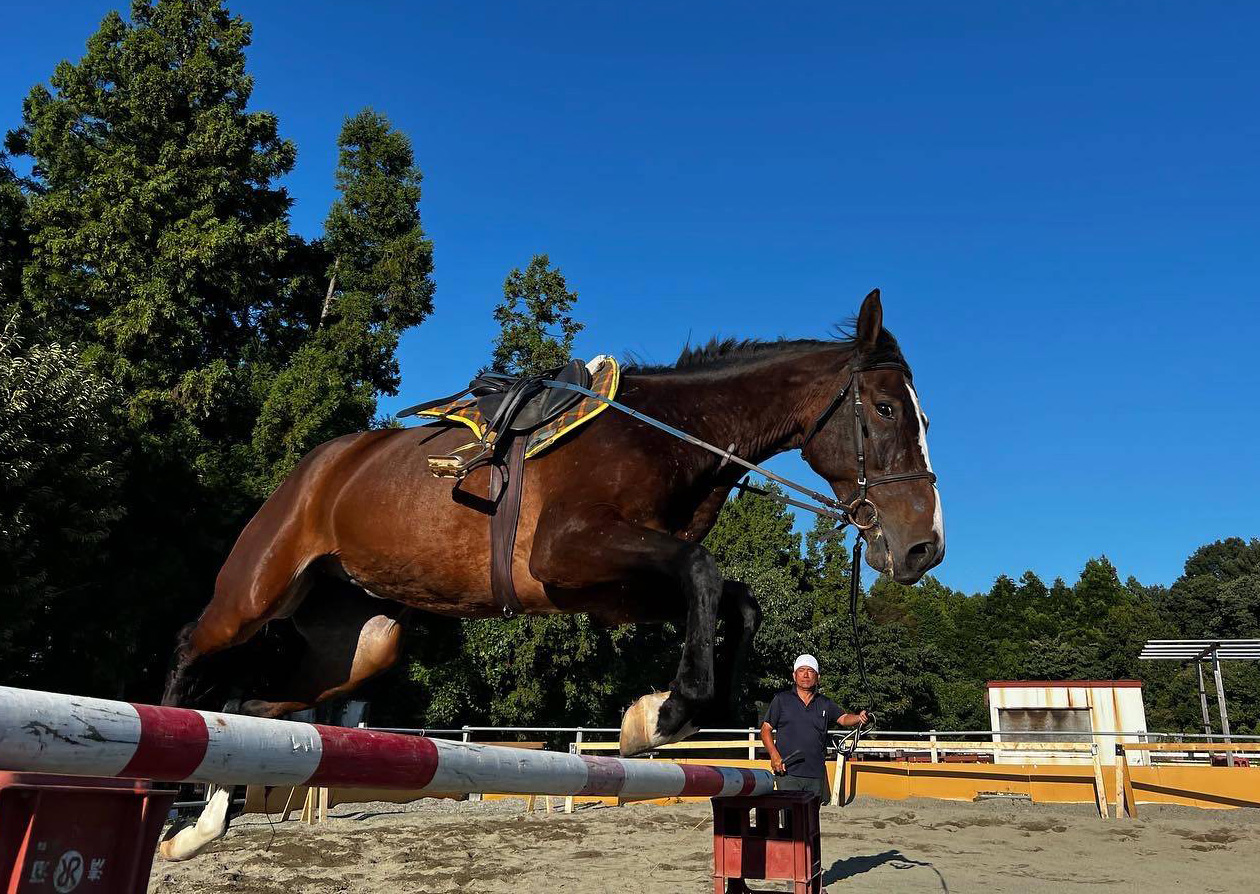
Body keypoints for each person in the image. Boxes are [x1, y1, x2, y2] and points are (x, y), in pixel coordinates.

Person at [759, 654, 869, 803]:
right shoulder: (781, 700)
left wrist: (859, 718)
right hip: (787, 771)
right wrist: (774, 756)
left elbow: (843, 718)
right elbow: (765, 730)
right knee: (790, 819)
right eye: (801, 670)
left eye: (810, 671)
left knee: (811, 819)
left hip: (815, 772)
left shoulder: (825, 703)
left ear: (817, 676)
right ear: (794, 675)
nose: (805, 675)